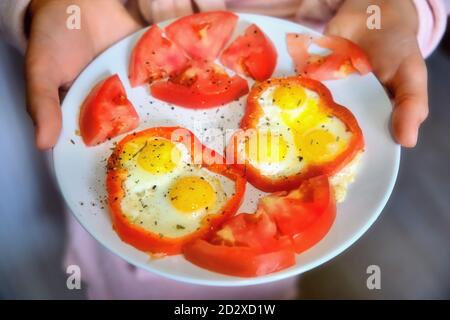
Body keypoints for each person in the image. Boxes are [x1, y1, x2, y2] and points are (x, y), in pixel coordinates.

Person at [0, 0, 448, 299]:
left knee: (262, 282)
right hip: (103, 37)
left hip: (317, 35)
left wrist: (402, 8)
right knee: (116, 279)